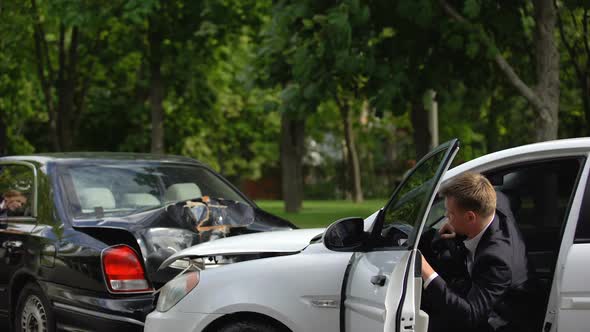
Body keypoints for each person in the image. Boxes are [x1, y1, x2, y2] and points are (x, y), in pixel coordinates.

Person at [421, 172, 531, 332]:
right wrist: (458, 226)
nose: (446, 217)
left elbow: (470, 315)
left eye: (450, 214)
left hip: (504, 319)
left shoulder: (496, 260)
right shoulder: (495, 202)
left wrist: (427, 271)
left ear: (470, 217)